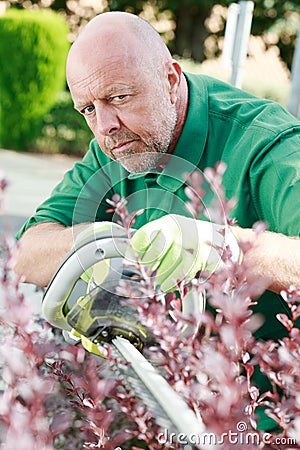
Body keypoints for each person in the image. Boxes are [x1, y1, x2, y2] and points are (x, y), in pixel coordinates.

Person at [15, 12, 299, 343]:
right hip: (157, 376)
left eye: (118, 97)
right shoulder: (119, 144)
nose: (105, 126)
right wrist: (91, 246)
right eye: (88, 109)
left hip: (263, 387)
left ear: (170, 80)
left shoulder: (269, 146)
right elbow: (25, 252)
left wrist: (222, 247)